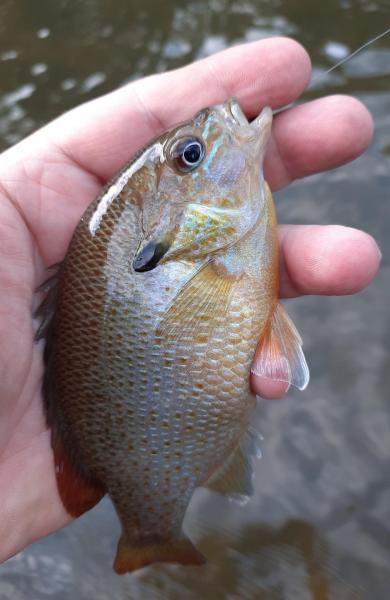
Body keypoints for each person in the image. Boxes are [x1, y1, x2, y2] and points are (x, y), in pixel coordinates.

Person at [0, 37, 381, 565]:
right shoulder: (196, 249)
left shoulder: (202, 244)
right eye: (191, 156)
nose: (213, 127)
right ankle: (151, 536)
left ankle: (151, 535)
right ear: (158, 237)